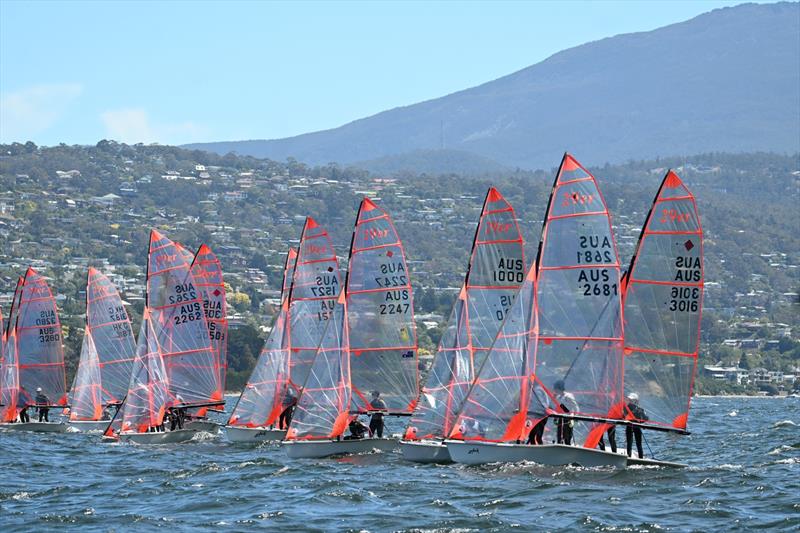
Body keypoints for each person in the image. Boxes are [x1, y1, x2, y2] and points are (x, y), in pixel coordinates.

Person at [553, 380, 578, 445]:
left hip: (568, 419)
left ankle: (567, 446)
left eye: (555, 388)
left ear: (559, 388)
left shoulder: (568, 396)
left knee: (567, 437)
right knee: (559, 436)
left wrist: (576, 418)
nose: (554, 390)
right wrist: (555, 418)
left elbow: (575, 407)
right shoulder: (558, 397)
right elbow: (557, 408)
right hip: (560, 419)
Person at [625, 392, 647, 458]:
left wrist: (642, 421)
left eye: (631, 400)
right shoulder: (627, 408)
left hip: (636, 427)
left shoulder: (640, 409)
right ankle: (629, 457)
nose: (630, 401)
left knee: (638, 444)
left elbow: (645, 419)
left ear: (635, 401)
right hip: (630, 426)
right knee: (630, 443)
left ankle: (640, 458)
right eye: (629, 400)